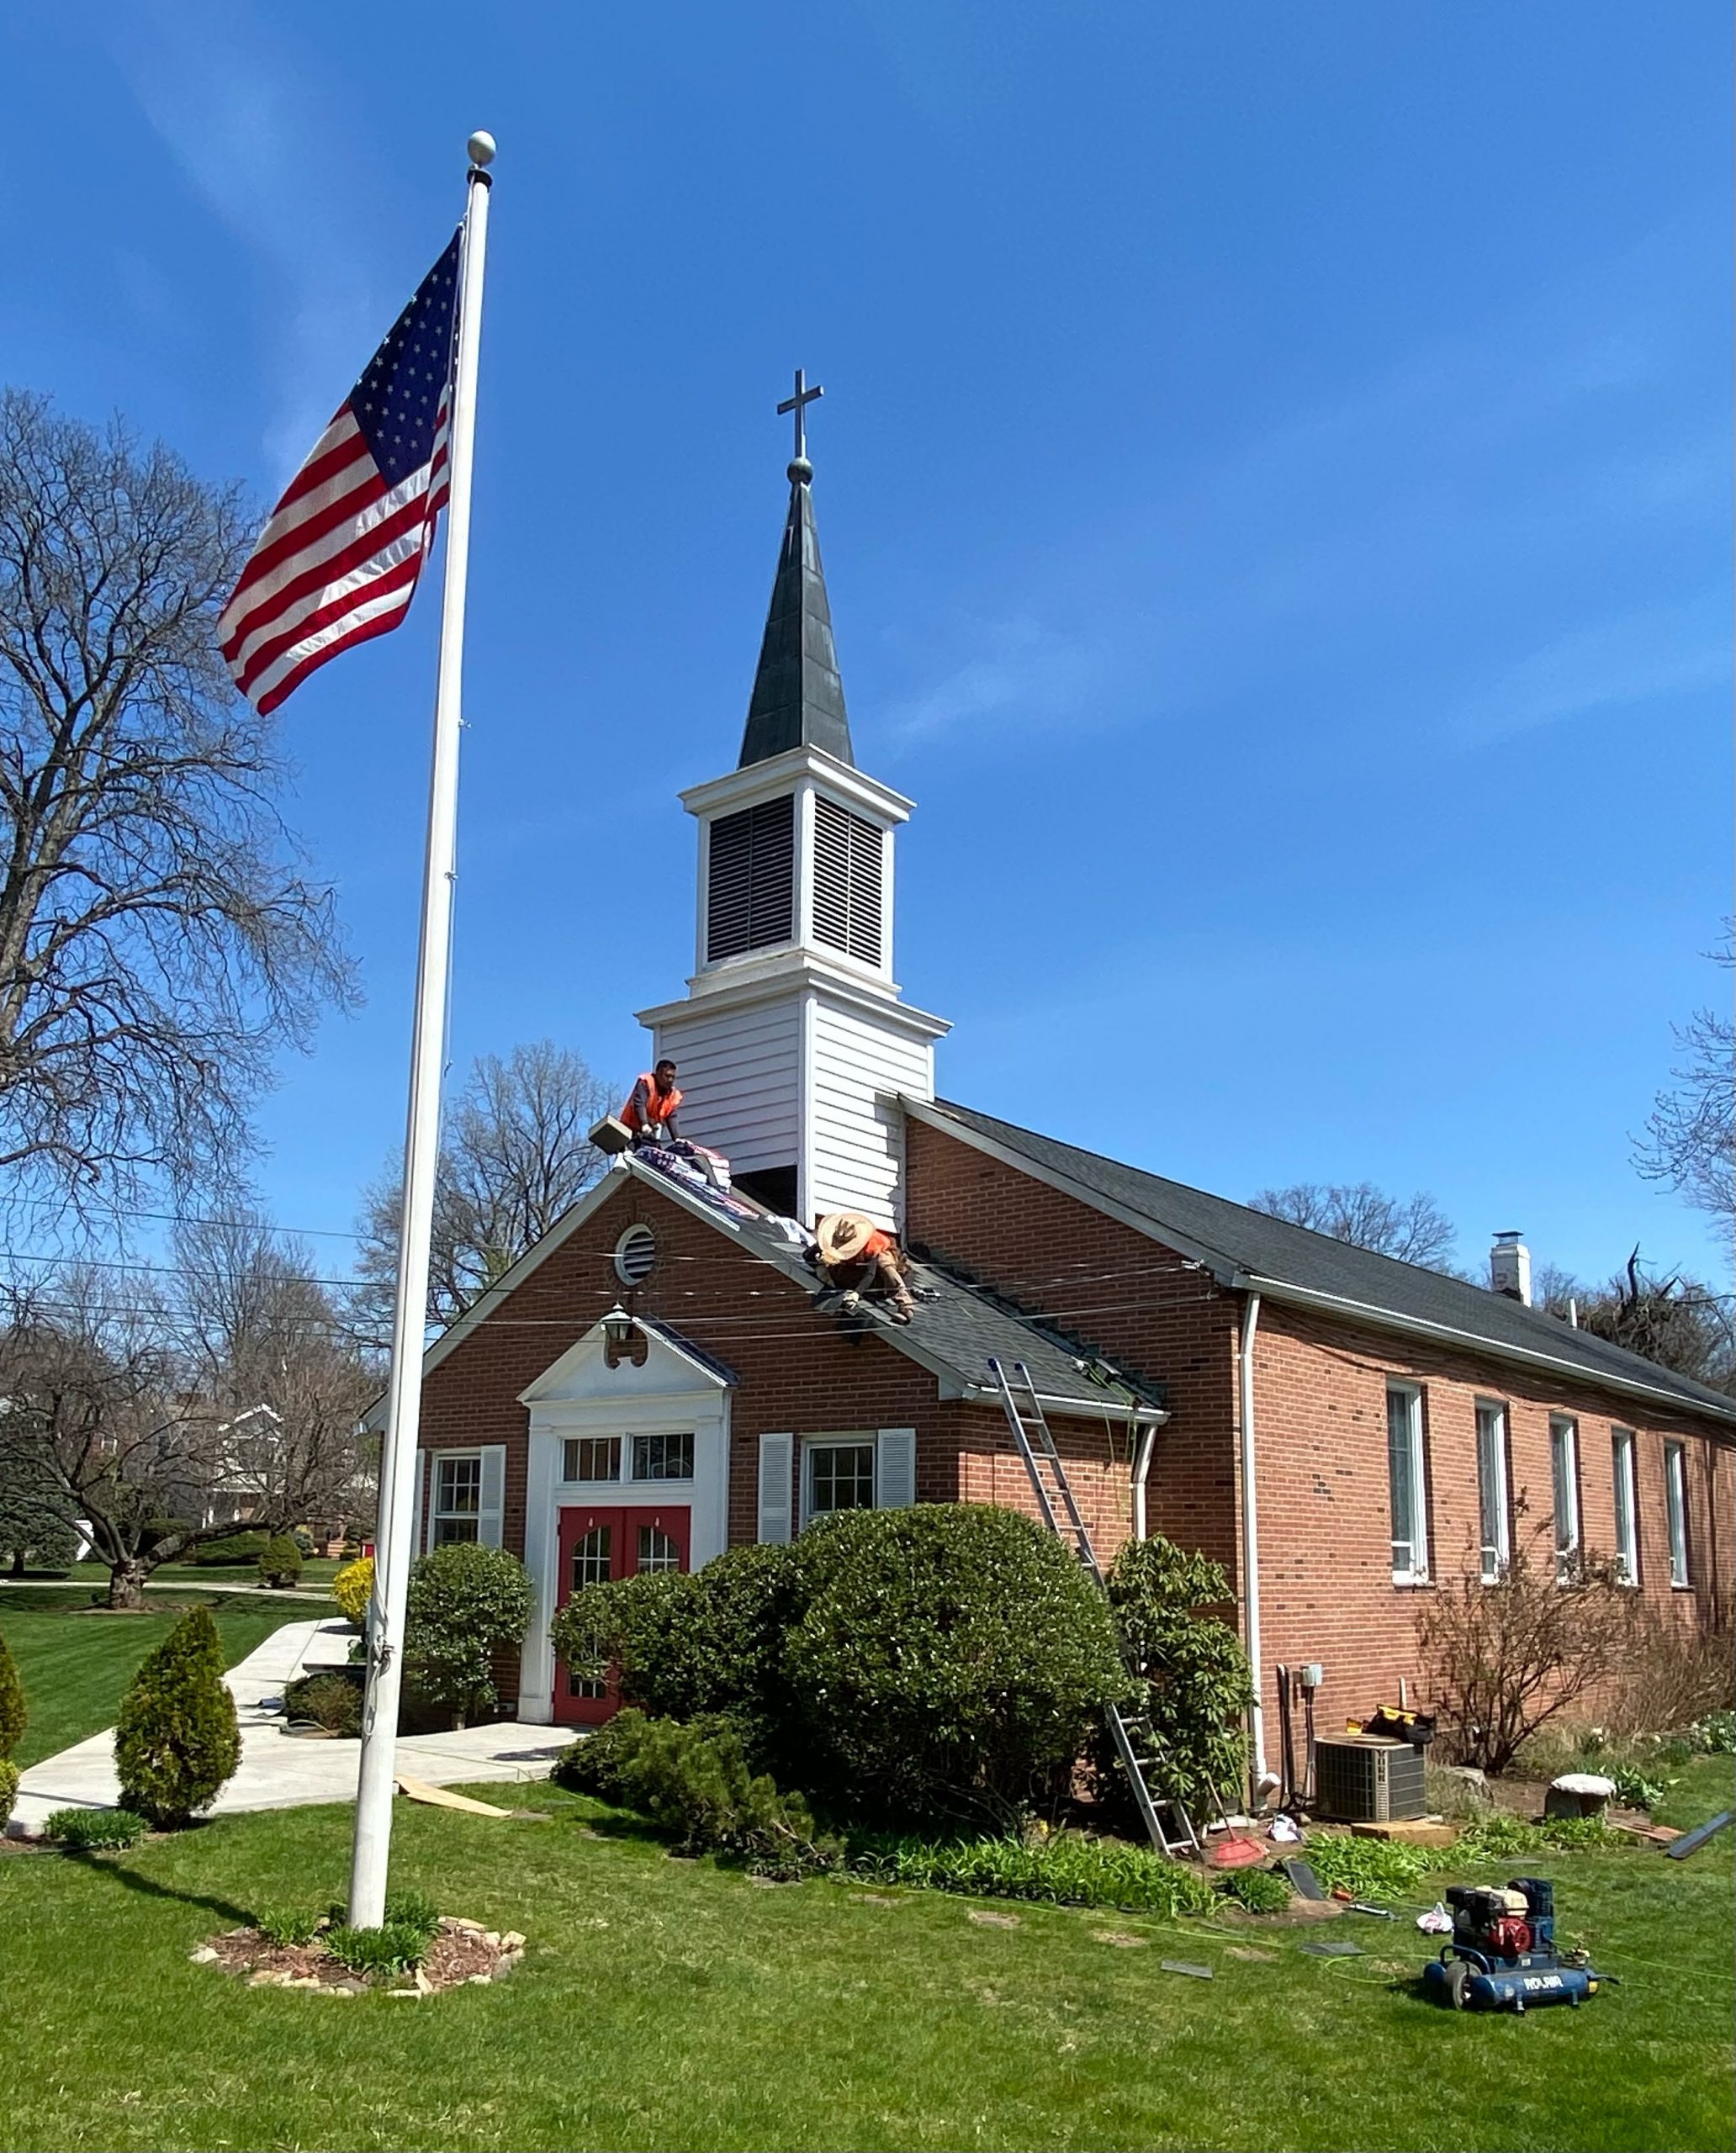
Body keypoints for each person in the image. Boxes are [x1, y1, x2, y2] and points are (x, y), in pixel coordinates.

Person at [811, 1209, 917, 1323]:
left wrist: (857, 1294)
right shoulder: (832, 1238)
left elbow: (870, 1274)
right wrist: (821, 1260)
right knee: (829, 1270)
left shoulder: (873, 1245)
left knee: (884, 1260)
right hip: (855, 1273)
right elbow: (808, 1255)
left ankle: (906, 1307)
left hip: (879, 1277)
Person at [620, 1060, 683, 1147]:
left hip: (649, 1133)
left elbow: (671, 1116)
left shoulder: (672, 1095)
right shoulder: (646, 1082)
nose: (670, 1080)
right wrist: (644, 1123)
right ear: (657, 1074)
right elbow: (640, 1104)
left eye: (673, 1077)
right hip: (630, 1129)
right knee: (630, 1154)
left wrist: (677, 1138)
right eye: (667, 1076)